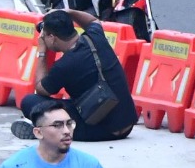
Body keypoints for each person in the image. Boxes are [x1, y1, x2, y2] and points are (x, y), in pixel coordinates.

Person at [18, 9, 135, 144]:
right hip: (127, 125)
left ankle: (46, 132)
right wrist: (68, 12)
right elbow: (93, 20)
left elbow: (40, 89)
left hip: (98, 130)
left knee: (30, 101)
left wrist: (42, 52)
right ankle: (45, 130)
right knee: (72, 101)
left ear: (52, 37)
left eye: (44, 35)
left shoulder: (63, 66)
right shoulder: (95, 37)